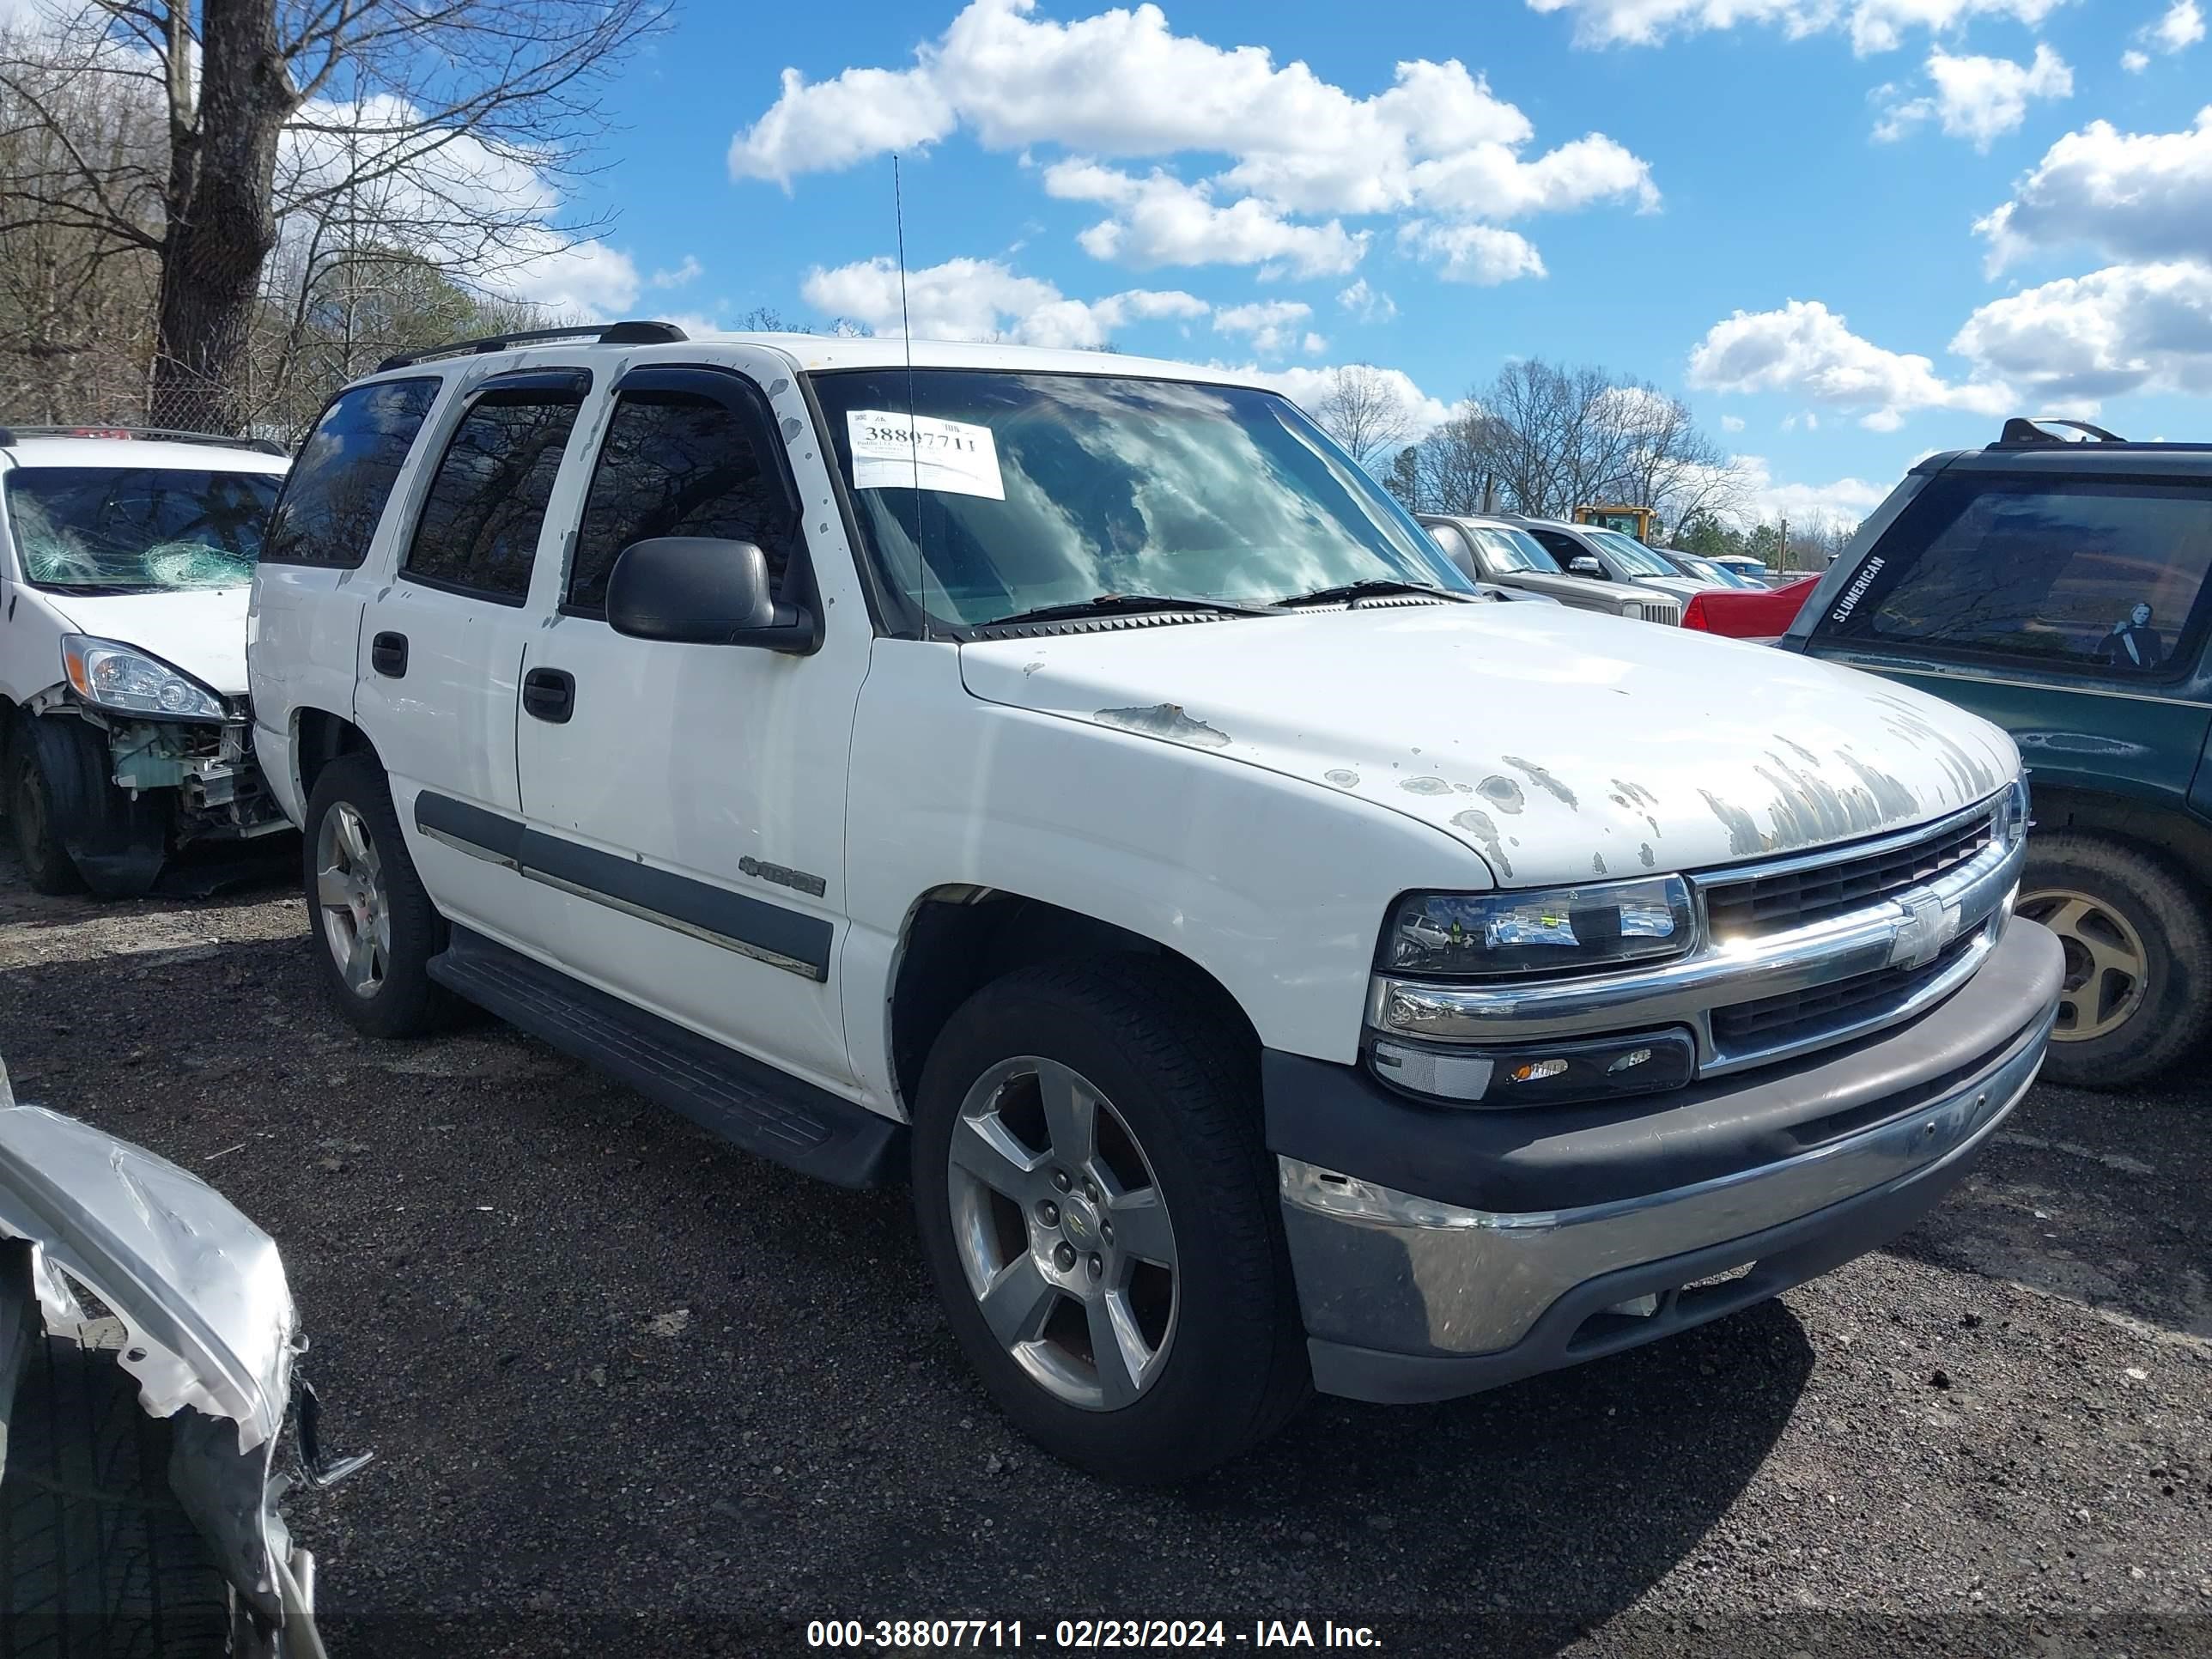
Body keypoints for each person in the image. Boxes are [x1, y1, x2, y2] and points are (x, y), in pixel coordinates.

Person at [2097, 601, 2164, 671]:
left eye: (2145, 614)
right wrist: (2115, 633)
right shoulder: (2122, 631)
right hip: (2118, 670)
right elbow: (2101, 650)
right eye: (2139, 613)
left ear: (2149, 617)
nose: (2141, 616)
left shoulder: (2153, 634)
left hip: (2141, 672)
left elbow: (2157, 657)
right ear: (2133, 614)